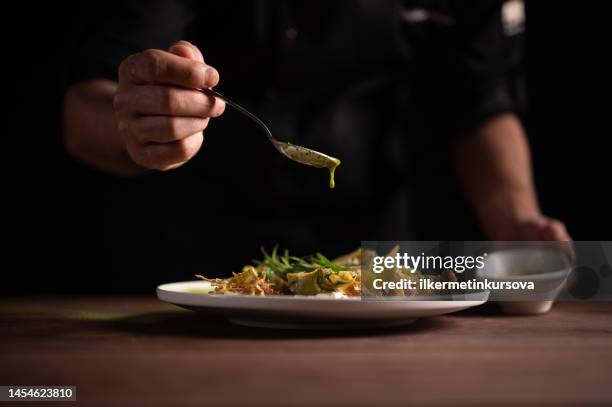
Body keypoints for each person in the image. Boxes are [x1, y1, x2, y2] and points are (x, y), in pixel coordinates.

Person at [62, 1, 570, 282]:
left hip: (377, 266)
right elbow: (82, 109)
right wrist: (138, 124)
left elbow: (478, 98)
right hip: (195, 258)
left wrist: (516, 227)